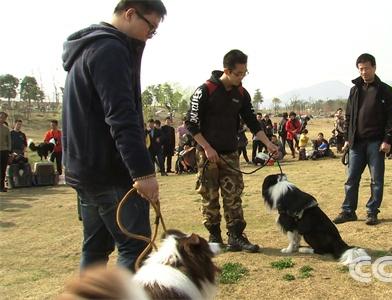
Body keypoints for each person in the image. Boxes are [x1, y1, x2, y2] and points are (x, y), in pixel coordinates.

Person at [61, 0, 167, 272]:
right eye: (150, 28)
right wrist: (143, 173)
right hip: (110, 172)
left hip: (85, 170)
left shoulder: (88, 47)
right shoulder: (111, 49)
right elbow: (121, 117)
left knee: (94, 249)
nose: (150, 36)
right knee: (135, 248)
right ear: (130, 13)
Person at [185, 49, 278, 253]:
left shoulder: (242, 94)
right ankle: (214, 236)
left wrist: (268, 143)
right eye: (239, 73)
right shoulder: (205, 90)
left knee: (233, 195)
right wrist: (207, 147)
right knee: (209, 196)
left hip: (230, 153)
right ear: (227, 70)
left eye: (245, 72)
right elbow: (191, 124)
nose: (242, 77)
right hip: (207, 154)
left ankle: (236, 236)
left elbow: (253, 122)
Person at [332, 53, 392, 226]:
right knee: (351, 178)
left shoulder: (386, 90)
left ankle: (372, 211)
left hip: (377, 143)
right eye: (361, 69)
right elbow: (348, 115)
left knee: (376, 179)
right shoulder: (354, 90)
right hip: (356, 142)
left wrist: (387, 140)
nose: (364, 72)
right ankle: (348, 211)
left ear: (374, 67)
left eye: (367, 68)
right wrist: (347, 138)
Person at [0, 112, 11, 192]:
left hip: (4, 151)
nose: (1, 119)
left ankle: (1, 186)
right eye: (0, 117)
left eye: (3, 118)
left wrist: (9, 150)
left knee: (3, 169)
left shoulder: (6, 129)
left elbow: (9, 141)